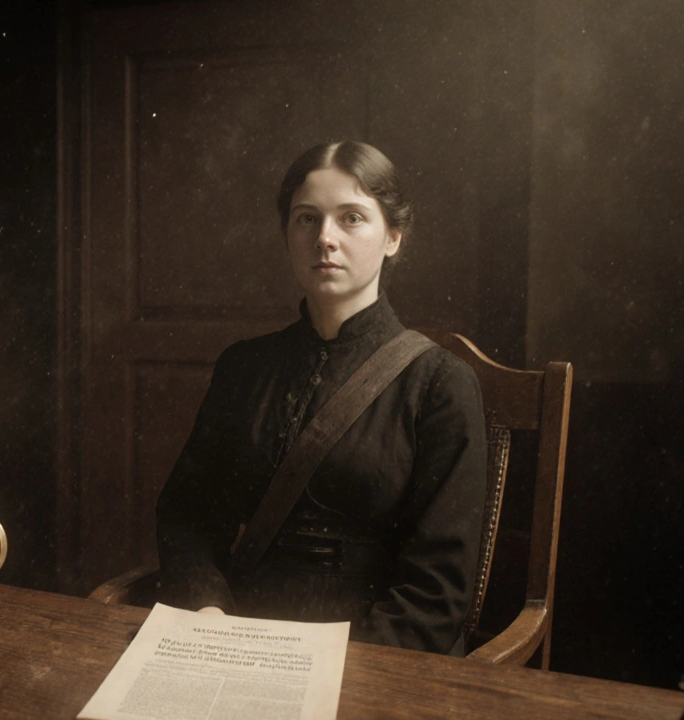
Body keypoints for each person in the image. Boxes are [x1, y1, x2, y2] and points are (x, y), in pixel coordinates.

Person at [155, 140, 487, 656]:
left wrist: (346, 668)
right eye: (306, 219)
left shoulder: (440, 384)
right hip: (237, 637)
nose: (324, 239)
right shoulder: (244, 368)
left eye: (351, 218)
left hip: (374, 657)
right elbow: (188, 514)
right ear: (287, 234)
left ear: (394, 236)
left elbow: (437, 590)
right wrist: (208, 614)